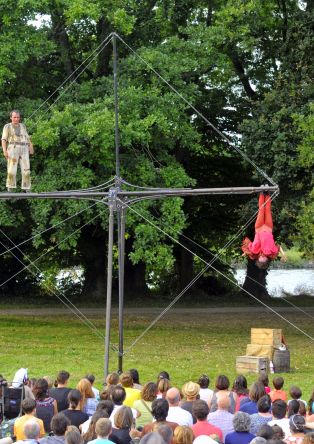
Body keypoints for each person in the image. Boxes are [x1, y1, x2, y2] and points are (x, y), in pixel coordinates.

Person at [241, 193, 287, 269]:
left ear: (258, 258)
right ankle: (267, 193)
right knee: (267, 210)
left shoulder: (254, 251)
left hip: (259, 228)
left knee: (261, 209)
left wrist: (245, 253)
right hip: (268, 228)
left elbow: (248, 245)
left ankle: (262, 193)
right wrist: (283, 253)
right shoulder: (272, 252)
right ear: (267, 260)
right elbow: (278, 247)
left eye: (260, 258)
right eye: (264, 258)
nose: (262, 256)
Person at [2, 110, 34, 192]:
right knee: (12, 169)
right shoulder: (7, 126)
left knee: (26, 168)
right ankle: (10, 187)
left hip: (24, 148)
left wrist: (31, 147)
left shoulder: (23, 126)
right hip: (13, 147)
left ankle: (27, 188)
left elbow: (27, 138)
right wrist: (4, 150)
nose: (16, 119)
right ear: (11, 117)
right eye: (14, 117)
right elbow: (4, 139)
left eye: (18, 117)